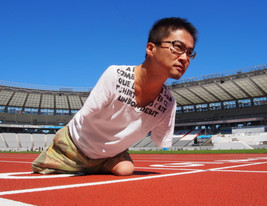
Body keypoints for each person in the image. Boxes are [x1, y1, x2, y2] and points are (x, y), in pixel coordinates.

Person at [32, 17, 198, 176]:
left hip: (110, 155)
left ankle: (98, 165)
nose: (184, 58)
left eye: (189, 53)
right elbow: (85, 117)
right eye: (177, 47)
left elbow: (162, 141)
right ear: (150, 48)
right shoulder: (115, 75)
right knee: (39, 171)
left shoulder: (168, 104)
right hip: (74, 146)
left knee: (125, 169)